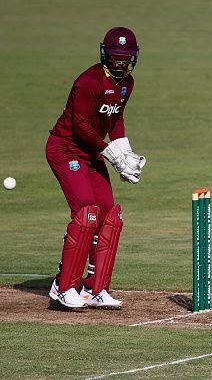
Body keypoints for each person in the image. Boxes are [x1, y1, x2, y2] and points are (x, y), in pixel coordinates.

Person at [46, 27, 146, 309]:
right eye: (115, 57)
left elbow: (115, 120)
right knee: (86, 212)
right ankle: (63, 286)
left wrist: (124, 153)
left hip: (91, 151)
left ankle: (95, 289)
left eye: (125, 58)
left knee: (109, 215)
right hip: (65, 148)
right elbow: (81, 127)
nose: (119, 63)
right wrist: (110, 154)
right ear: (105, 54)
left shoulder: (127, 84)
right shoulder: (88, 83)